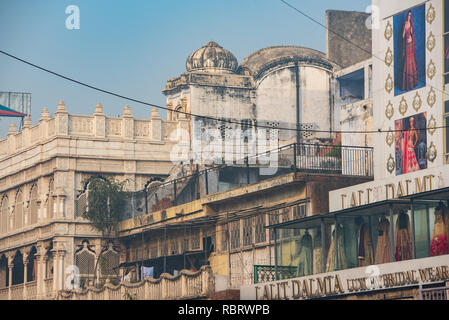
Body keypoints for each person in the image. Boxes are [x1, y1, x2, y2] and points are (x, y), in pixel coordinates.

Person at [402, 10, 419, 91]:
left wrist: (410, 33)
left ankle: (413, 83)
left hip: (411, 43)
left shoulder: (411, 25)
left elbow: (412, 34)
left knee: (411, 61)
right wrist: (406, 37)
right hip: (407, 44)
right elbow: (403, 35)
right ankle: (407, 84)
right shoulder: (405, 24)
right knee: (407, 62)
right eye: (408, 15)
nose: (409, 16)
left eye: (410, 15)